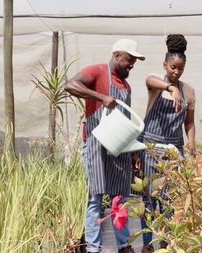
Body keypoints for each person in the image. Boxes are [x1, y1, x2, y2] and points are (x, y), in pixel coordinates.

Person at [65, 38, 145, 253]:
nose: (132, 65)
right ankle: (93, 248)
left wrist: (134, 152)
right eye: (130, 59)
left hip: (119, 146)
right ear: (117, 55)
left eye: (134, 61)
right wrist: (100, 97)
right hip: (96, 144)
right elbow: (70, 84)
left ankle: (124, 245)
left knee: (120, 197)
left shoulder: (126, 87)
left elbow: (126, 121)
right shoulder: (98, 72)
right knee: (96, 198)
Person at [138, 34, 196, 253]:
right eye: (173, 67)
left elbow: (189, 123)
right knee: (149, 196)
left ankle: (167, 241)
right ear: (165, 65)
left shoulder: (189, 91)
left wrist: (191, 144)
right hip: (151, 147)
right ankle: (147, 243)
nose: (176, 72)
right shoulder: (156, 83)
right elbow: (149, 81)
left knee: (169, 198)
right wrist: (169, 87)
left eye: (180, 68)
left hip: (174, 149)